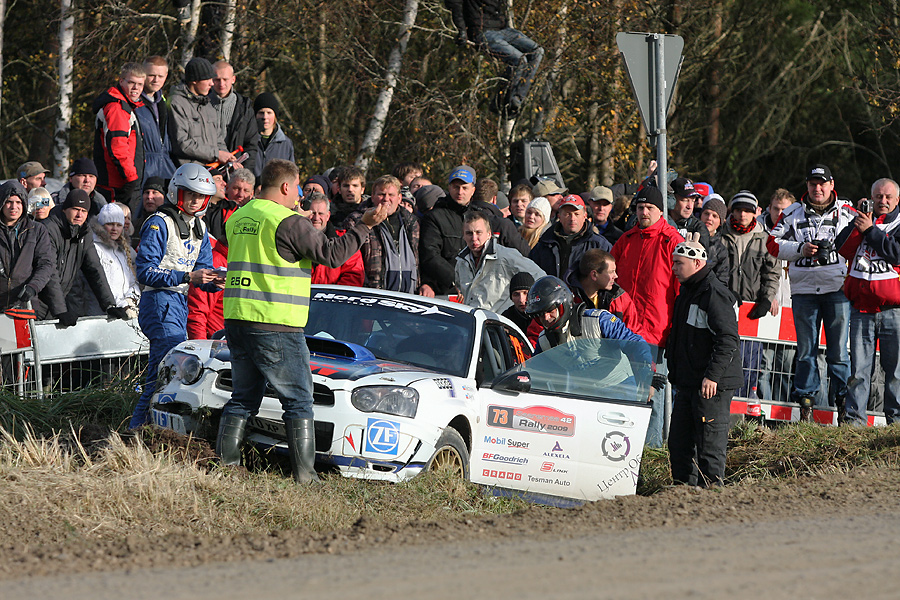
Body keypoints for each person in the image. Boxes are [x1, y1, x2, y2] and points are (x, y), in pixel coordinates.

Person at [215, 159, 388, 482]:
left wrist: (299, 221)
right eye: (297, 188)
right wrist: (364, 225)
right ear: (285, 186)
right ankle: (306, 477)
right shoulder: (289, 222)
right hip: (275, 321)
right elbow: (333, 255)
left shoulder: (239, 216)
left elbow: (268, 242)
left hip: (237, 318)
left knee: (243, 398)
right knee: (299, 400)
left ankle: (226, 466)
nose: (299, 195)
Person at [131, 164, 222, 428]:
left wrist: (217, 281)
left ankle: (146, 431)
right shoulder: (159, 222)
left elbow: (203, 272)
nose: (195, 200)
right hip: (158, 301)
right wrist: (187, 277)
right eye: (190, 193)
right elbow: (145, 271)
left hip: (178, 304)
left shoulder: (200, 226)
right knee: (165, 374)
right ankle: (137, 431)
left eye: (201, 196)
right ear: (176, 192)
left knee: (165, 374)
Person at [767, 164, 855, 420]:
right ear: (807, 185)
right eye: (813, 183)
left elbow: (863, 237)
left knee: (839, 352)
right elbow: (772, 243)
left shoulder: (846, 211)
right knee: (806, 351)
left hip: (837, 289)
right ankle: (806, 403)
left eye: (822, 183)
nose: (818, 188)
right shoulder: (792, 213)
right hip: (804, 291)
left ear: (831, 184)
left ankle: (843, 404)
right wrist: (800, 249)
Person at [611, 185, 684, 447]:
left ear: (660, 211)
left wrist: (675, 330)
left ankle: (650, 454)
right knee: (621, 392)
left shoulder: (671, 241)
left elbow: (681, 290)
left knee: (651, 395)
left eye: (649, 208)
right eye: (640, 207)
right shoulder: (626, 240)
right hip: (622, 332)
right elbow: (610, 280)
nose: (644, 212)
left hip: (656, 332)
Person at [667, 233, 742, 487]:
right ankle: (682, 492)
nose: (674, 268)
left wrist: (712, 376)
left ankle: (711, 495)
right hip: (690, 382)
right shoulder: (687, 292)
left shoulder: (714, 294)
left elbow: (728, 339)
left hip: (711, 385)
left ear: (697, 263)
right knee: (679, 443)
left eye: (679, 263)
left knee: (709, 446)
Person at [836, 178, 900, 425]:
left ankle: (896, 423)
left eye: (887, 197)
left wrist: (871, 231)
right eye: (878, 196)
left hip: (893, 310)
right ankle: (854, 422)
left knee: (894, 372)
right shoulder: (862, 220)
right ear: (871, 197)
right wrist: (858, 223)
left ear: (896, 200)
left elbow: (896, 254)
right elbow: (842, 248)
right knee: (859, 371)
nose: (882, 201)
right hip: (862, 309)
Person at [419, 165, 529, 295]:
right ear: (449, 188)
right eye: (456, 187)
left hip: (481, 290)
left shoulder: (480, 217)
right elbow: (430, 256)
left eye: (465, 188)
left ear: (473, 190)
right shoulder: (434, 217)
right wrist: (456, 280)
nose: (460, 192)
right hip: (448, 291)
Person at [523, 276, 652, 385]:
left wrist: (646, 372)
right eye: (540, 315)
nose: (546, 318)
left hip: (619, 387)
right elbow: (535, 374)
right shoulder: (544, 342)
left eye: (550, 311)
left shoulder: (599, 320)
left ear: (563, 305)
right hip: (583, 395)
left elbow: (634, 343)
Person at [34, 190, 127, 325]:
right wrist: (60, 310)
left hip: (56, 302)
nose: (79, 215)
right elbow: (50, 273)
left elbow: (94, 268)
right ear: (65, 209)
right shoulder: (48, 229)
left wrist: (109, 304)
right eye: (75, 209)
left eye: (84, 211)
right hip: (37, 301)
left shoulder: (84, 232)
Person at [720, 191, 779, 399]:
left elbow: (772, 274)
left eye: (747, 210)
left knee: (749, 365)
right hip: (724, 309)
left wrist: (767, 299)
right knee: (724, 360)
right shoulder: (721, 236)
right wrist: (723, 293)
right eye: (738, 210)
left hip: (751, 312)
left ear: (755, 213)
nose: (742, 214)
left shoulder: (765, 239)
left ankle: (744, 407)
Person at [446, 0, 543, 116]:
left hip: (502, 29)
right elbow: (454, 4)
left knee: (538, 51)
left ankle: (516, 99)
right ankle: (502, 103)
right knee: (519, 60)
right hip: (482, 32)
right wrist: (461, 30)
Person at [343, 175, 423, 293]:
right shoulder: (356, 221)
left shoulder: (412, 223)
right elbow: (349, 260)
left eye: (391, 195)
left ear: (399, 198)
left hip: (408, 295)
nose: (386, 199)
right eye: (381, 194)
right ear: (372, 196)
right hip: (372, 294)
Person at [455, 211, 545, 312]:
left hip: (499, 319)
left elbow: (540, 277)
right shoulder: (461, 261)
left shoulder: (506, 256)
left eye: (478, 232)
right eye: (469, 233)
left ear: (489, 234)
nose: (474, 238)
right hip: (474, 318)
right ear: (463, 236)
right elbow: (460, 288)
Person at [0, 181, 61, 315]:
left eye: (18, 202)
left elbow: (46, 264)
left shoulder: (37, 230)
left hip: (24, 305)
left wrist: (33, 286)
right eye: (9, 202)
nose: (14, 207)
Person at [92, 62, 145, 208]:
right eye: (131, 83)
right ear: (121, 81)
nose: (136, 88)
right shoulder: (117, 108)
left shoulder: (125, 105)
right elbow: (118, 148)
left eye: (140, 84)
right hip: (117, 184)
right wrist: (132, 179)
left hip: (120, 181)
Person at [169, 57, 234, 167]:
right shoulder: (176, 103)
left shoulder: (207, 104)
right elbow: (182, 143)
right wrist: (217, 154)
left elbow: (219, 141)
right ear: (194, 81)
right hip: (189, 170)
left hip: (212, 168)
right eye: (207, 79)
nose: (212, 83)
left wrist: (229, 159)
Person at [529, 194, 611, 281]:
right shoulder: (545, 243)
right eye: (567, 214)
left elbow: (610, 276)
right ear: (559, 217)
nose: (572, 218)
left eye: (577, 214)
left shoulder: (599, 245)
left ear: (585, 216)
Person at [567, 248, 644, 339]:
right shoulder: (567, 297)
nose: (616, 276)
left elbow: (634, 335)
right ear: (594, 275)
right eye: (611, 272)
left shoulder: (620, 298)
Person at [79, 203, 140, 317]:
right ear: (101, 225)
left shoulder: (123, 250)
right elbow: (100, 282)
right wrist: (121, 305)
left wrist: (130, 300)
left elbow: (133, 281)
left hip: (124, 313)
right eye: (110, 224)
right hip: (99, 314)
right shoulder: (93, 248)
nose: (114, 229)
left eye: (118, 225)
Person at [211, 60, 259, 175]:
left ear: (233, 79)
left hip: (236, 172)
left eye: (225, 79)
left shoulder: (244, 108)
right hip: (207, 170)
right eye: (217, 79)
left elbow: (251, 145)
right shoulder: (200, 104)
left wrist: (243, 173)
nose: (221, 84)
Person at [135, 56, 177, 184]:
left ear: (166, 76)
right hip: (143, 169)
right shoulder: (134, 103)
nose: (156, 80)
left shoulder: (163, 102)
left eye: (160, 76)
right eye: (151, 75)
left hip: (165, 167)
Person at [307, 194, 364, 286]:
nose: (316, 218)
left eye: (320, 213)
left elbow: (353, 274)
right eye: (312, 213)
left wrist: (332, 293)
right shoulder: (294, 238)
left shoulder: (343, 241)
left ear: (328, 216)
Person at [205, 168, 255, 242]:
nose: (241, 194)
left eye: (246, 191)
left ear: (252, 194)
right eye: (236, 188)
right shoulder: (217, 208)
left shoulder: (255, 215)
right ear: (227, 188)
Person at [253, 92, 294, 178]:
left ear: (275, 115)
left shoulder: (285, 144)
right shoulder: (247, 140)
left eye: (269, 112)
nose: (265, 117)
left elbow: (291, 175)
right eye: (261, 113)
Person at [669, 177, 711, 252]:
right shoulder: (660, 223)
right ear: (672, 200)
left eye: (693, 200)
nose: (690, 206)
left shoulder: (698, 228)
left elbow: (702, 257)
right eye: (685, 200)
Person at [697, 193, 731, 286]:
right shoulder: (688, 238)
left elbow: (722, 282)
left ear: (721, 222)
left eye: (715, 216)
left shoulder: (721, 250)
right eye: (706, 213)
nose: (709, 218)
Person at [500, 271, 541, 344]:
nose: (521, 300)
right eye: (516, 294)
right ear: (511, 298)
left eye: (526, 293)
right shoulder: (506, 319)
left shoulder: (542, 315)